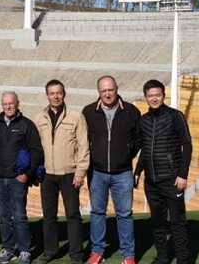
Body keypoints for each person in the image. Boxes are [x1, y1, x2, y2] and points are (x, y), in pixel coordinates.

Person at [82, 76, 141, 264]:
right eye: (103, 90)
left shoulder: (131, 111)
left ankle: (128, 255)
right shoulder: (89, 111)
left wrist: (125, 155)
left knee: (124, 214)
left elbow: (138, 140)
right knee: (97, 212)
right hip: (97, 172)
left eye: (110, 90)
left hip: (122, 172)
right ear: (98, 92)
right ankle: (97, 252)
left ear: (116, 89)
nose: (107, 94)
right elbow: (84, 141)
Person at [33, 79, 90, 264]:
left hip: (69, 174)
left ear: (64, 94)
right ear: (47, 95)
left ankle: (76, 254)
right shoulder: (39, 118)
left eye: (59, 93)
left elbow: (83, 146)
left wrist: (80, 172)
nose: (56, 96)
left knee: (73, 215)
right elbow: (35, 147)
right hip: (48, 175)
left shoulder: (76, 117)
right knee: (48, 215)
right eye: (52, 93)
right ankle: (50, 251)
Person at [138, 79, 193, 264]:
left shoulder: (175, 116)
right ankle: (162, 257)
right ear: (146, 97)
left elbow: (187, 145)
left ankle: (183, 260)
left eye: (157, 95)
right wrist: (137, 172)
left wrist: (183, 174)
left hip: (172, 179)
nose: (154, 98)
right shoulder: (143, 120)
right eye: (150, 95)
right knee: (158, 222)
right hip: (151, 181)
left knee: (177, 222)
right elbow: (144, 150)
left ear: (163, 95)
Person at [0, 92, 43, 264]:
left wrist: (27, 173)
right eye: (5, 104)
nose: (8, 106)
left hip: (17, 179)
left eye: (11, 103)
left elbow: (36, 151)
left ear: (17, 103)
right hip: (0, 177)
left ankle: (25, 250)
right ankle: (8, 248)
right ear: (2, 105)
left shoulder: (26, 125)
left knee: (19, 215)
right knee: (3, 215)